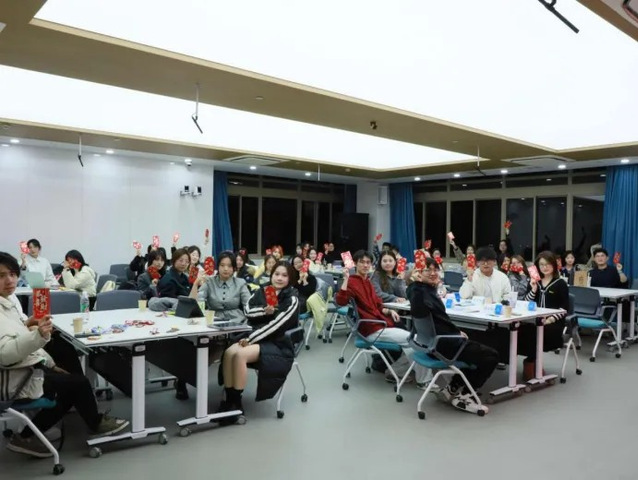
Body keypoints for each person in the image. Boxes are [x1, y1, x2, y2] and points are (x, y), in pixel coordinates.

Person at [0, 252, 128, 458]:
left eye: (13, 274)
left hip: (22, 368)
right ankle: (91, 421)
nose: (9, 280)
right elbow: (5, 354)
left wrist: (32, 330)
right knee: (76, 383)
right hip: (14, 378)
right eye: (2, 276)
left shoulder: (8, 301)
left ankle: (30, 435)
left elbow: (13, 333)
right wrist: (38, 336)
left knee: (63, 353)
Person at [408, 258, 499, 413]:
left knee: (476, 346)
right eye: (427, 270)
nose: (432, 273)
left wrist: (456, 331)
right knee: (491, 356)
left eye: (435, 270)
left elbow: (440, 321)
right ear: (419, 273)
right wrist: (456, 334)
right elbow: (425, 311)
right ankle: (465, 397)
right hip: (444, 346)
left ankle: (452, 388)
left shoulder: (418, 290)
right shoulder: (420, 293)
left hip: (432, 343)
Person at [218, 262, 299, 422]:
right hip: (256, 336)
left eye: (284, 275)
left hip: (278, 342)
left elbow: (276, 326)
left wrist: (250, 339)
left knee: (240, 355)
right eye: (276, 274)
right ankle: (230, 399)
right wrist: (264, 311)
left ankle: (237, 404)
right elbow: (248, 310)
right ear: (271, 275)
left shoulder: (292, 298)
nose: (279, 278)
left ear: (290, 278)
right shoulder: (264, 290)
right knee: (229, 353)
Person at [335, 250, 428, 386]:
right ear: (355, 264)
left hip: (379, 324)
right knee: (415, 340)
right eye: (362, 262)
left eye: (368, 262)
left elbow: (377, 304)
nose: (365, 265)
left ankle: (397, 371)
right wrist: (346, 279)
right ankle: (423, 380)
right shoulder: (352, 282)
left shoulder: (367, 281)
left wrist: (389, 311)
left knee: (413, 341)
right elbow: (340, 301)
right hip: (372, 328)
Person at [520, 251, 568, 380]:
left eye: (548, 264)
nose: (544, 267)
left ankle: (531, 363)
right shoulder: (535, 282)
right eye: (541, 265)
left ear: (554, 265)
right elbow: (526, 304)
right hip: (535, 321)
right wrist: (533, 289)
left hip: (553, 323)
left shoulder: (560, 283)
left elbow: (564, 309)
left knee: (536, 332)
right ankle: (531, 362)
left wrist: (550, 319)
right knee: (521, 331)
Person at [155, 248, 193, 399]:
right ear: (174, 261)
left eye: (186, 261)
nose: (184, 264)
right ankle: (181, 381)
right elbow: (168, 304)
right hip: (171, 320)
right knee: (185, 350)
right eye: (180, 260)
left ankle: (183, 379)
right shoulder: (168, 279)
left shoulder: (183, 277)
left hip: (185, 317)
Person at [190, 252, 251, 322]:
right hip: (213, 320)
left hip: (237, 321)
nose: (226, 269)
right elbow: (195, 303)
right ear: (218, 266)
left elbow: (248, 305)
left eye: (229, 266)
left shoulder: (240, 283)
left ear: (234, 268)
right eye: (222, 265)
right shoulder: (210, 282)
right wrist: (196, 283)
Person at [291, 255, 329, 334]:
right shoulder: (292, 277)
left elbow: (309, 293)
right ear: (293, 266)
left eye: (300, 262)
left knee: (294, 307)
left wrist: (304, 280)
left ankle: (294, 328)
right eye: (295, 263)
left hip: (306, 302)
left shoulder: (311, 278)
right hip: (294, 300)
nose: (298, 265)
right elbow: (292, 289)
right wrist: (300, 280)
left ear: (304, 263)